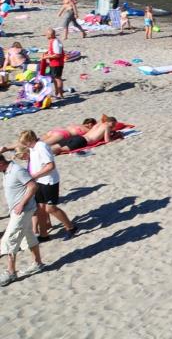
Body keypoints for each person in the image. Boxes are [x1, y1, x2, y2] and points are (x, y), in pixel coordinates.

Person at [19, 129, 75, 240]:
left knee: (50, 208)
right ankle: (44, 235)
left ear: (31, 139)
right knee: (40, 208)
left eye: (25, 143)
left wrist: (34, 175)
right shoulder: (32, 148)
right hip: (39, 181)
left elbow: (50, 166)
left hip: (49, 181)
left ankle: (71, 227)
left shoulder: (41, 147)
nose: (25, 145)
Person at [1, 148, 45, 286]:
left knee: (10, 239)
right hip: (18, 211)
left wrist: (21, 204)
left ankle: (11, 272)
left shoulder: (17, 170)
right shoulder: (5, 171)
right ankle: (38, 263)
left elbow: (33, 186)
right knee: (28, 237)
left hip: (23, 211)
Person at [44, 117, 122, 153]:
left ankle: (38, 152)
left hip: (77, 137)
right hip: (82, 141)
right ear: (110, 122)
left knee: (55, 146)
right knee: (60, 150)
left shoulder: (97, 124)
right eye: (113, 124)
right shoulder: (107, 126)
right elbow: (107, 141)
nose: (113, 127)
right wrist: (117, 138)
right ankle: (40, 154)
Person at [38, 28, 66, 98]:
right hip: (53, 63)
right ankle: (57, 92)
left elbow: (57, 55)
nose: (45, 35)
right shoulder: (52, 41)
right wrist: (47, 53)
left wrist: (46, 57)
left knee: (57, 78)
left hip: (57, 63)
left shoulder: (56, 42)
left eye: (46, 34)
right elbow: (53, 51)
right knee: (54, 78)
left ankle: (60, 94)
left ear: (50, 35)